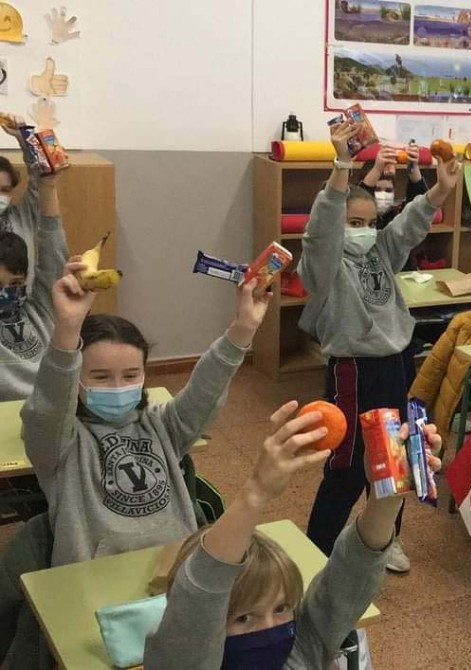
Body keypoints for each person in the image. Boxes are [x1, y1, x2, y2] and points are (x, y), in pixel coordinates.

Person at [144, 401, 442, 669]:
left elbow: (351, 575)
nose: (269, 628)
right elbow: (200, 594)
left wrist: (386, 496)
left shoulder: (300, 649)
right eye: (244, 618)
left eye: (282, 609)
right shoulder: (181, 658)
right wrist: (256, 492)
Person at [20, 260, 269, 567]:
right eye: (100, 376)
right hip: (97, 576)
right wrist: (67, 330)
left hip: (174, 571)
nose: (118, 386)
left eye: (130, 375)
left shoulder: (162, 425)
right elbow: (48, 407)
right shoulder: (58, 445)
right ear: (75, 378)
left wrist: (243, 329)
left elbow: (206, 389)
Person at [298, 120, 461, 573]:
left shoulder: (380, 251)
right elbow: (319, 232)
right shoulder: (325, 265)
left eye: (369, 223)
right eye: (354, 224)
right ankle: (318, 548)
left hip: (397, 364)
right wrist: (341, 165)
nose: (364, 231)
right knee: (348, 466)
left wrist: (438, 191)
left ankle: (386, 536)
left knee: (398, 455)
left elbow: (407, 226)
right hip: (354, 369)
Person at [0, 114, 65, 402]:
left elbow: (42, 184)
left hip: (29, 309)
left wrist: (24, 138)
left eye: (5, 190)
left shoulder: (20, 217)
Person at [358, 143, 427, 229]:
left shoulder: (397, 216)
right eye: (377, 189)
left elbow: (418, 204)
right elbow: (360, 198)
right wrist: (377, 169)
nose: (383, 195)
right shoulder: (354, 216)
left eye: (388, 190)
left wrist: (413, 167)